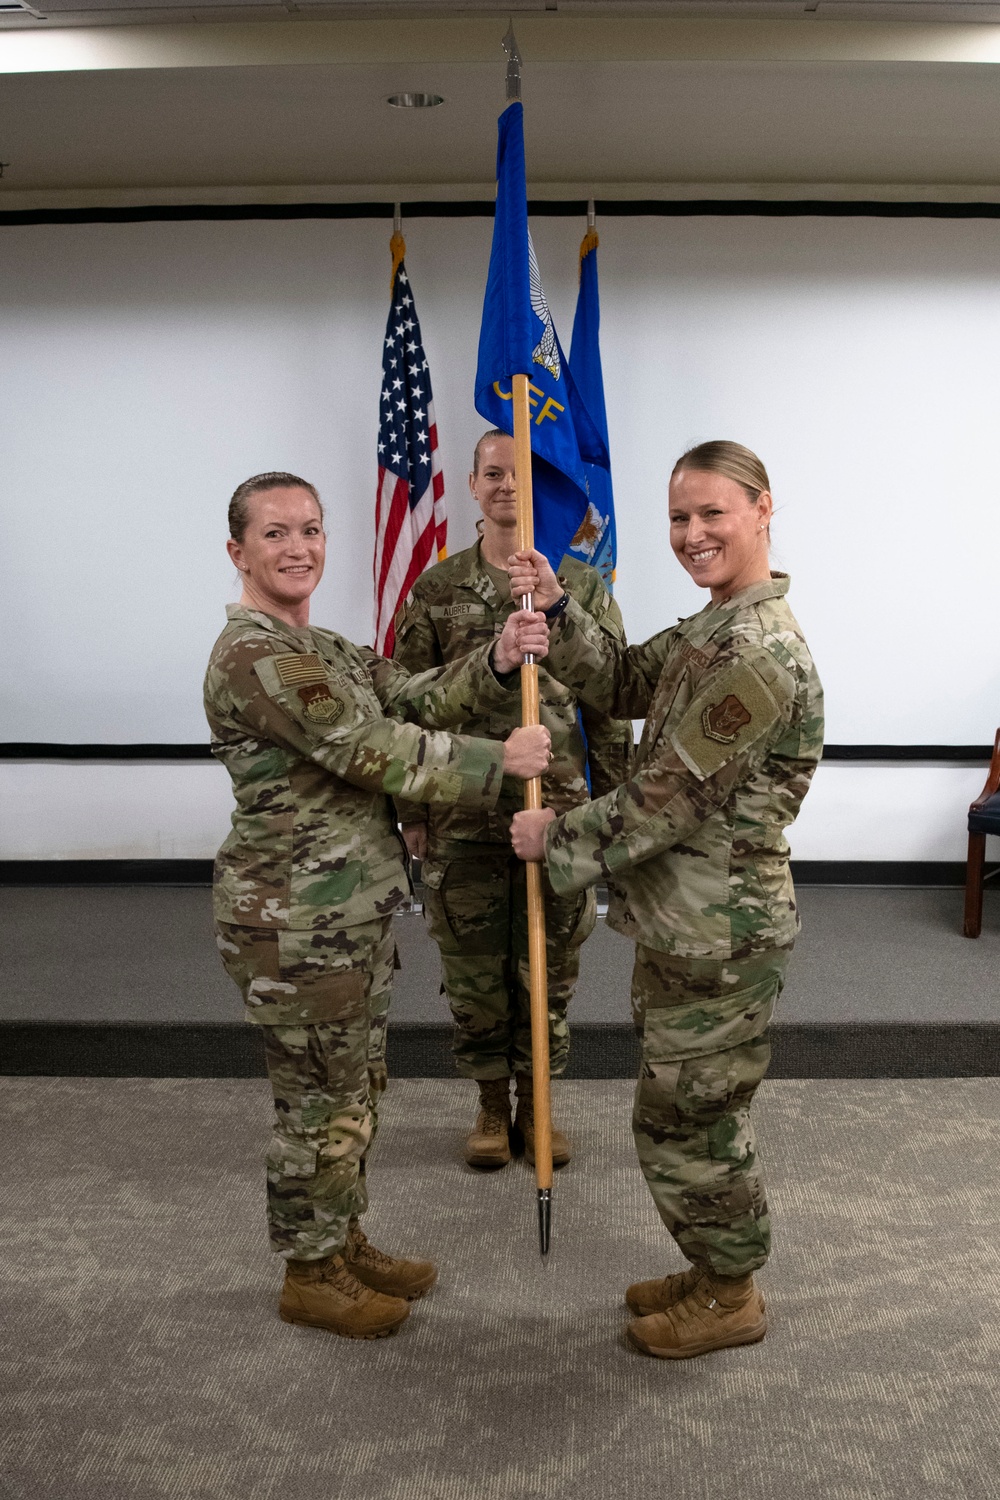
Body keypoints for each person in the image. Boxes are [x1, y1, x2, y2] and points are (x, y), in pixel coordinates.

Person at [204, 470, 552, 1341]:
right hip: (294, 925)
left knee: (355, 1088)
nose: (299, 548)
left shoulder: (324, 648)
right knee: (317, 1100)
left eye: (312, 530)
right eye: (276, 533)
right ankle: (310, 1272)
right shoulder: (254, 655)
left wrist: (499, 657)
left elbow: (411, 694)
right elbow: (371, 748)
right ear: (238, 551)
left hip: (347, 912)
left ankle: (341, 1239)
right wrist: (495, 762)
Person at [510, 441, 824, 1360]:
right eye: (679, 518)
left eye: (712, 514)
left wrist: (554, 838)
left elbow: (669, 796)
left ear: (764, 509)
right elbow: (617, 680)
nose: (691, 535)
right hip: (686, 921)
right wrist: (562, 606)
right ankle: (711, 1266)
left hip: (721, 929)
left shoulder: (758, 652)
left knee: (692, 1118)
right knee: (686, 1107)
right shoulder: (713, 625)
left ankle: (732, 1293)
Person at [392, 429, 633, 1170]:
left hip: (556, 815)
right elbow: (404, 708)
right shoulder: (436, 590)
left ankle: (541, 1105)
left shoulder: (581, 590)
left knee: (549, 967)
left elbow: (611, 705)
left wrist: (619, 816)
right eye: (492, 474)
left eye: (520, 474)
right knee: (471, 972)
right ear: (471, 486)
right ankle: (492, 1107)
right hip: (460, 812)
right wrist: (410, 815)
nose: (506, 487)